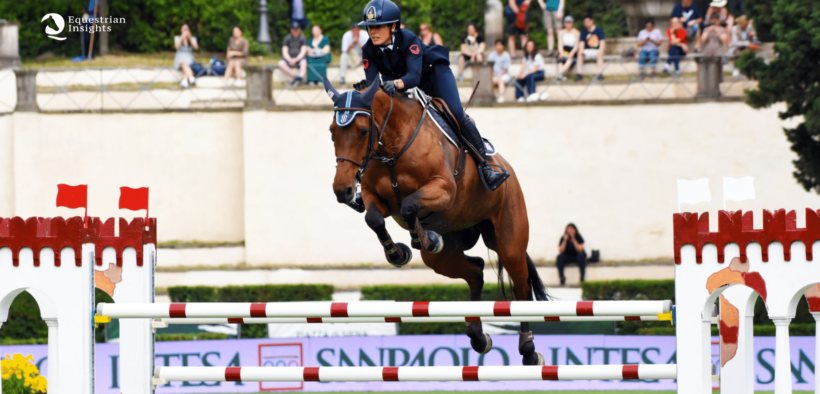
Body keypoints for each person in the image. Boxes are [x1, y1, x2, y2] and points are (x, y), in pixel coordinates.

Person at [359, 0, 509, 191]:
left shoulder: (409, 39)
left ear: (393, 26)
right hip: (398, 84)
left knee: (455, 112)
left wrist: (394, 84)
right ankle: (363, 182)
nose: (373, 32)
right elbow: (374, 86)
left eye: (378, 26)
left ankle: (486, 166)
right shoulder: (368, 50)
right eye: (370, 27)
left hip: (432, 75)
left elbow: (414, 76)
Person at [277, 21, 309, 87]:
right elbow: (284, 51)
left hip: (299, 57)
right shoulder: (287, 38)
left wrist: (296, 59)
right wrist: (289, 59)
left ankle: (300, 78)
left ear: (299, 30)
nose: (295, 32)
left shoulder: (303, 38)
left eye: (297, 30)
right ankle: (294, 76)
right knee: (280, 63)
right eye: (294, 30)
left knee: (304, 62)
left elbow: (303, 51)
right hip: (289, 57)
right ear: (291, 30)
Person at [576, 15, 605, 81]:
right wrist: (581, 50)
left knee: (600, 54)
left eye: (588, 21)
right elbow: (581, 43)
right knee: (579, 54)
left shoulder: (598, 30)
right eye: (585, 22)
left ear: (592, 21)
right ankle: (579, 74)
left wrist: (600, 50)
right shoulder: (583, 31)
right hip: (587, 50)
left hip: (596, 50)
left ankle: (600, 73)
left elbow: (602, 42)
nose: (586, 23)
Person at [174, 24, 199, 88]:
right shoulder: (177, 38)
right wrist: (182, 37)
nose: (185, 30)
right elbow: (176, 46)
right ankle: (191, 78)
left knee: (185, 64)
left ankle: (184, 81)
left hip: (189, 58)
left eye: (187, 29)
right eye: (184, 29)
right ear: (181, 30)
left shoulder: (192, 38)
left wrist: (189, 38)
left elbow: (196, 47)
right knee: (184, 63)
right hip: (180, 57)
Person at [556, 16, 580, 81]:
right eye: (567, 23)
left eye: (569, 23)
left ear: (572, 23)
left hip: (572, 50)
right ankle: (561, 74)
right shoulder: (561, 32)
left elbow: (577, 45)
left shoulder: (576, 32)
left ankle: (560, 73)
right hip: (564, 50)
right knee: (560, 58)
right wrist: (561, 52)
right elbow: (560, 44)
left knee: (570, 58)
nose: (568, 24)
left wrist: (572, 52)